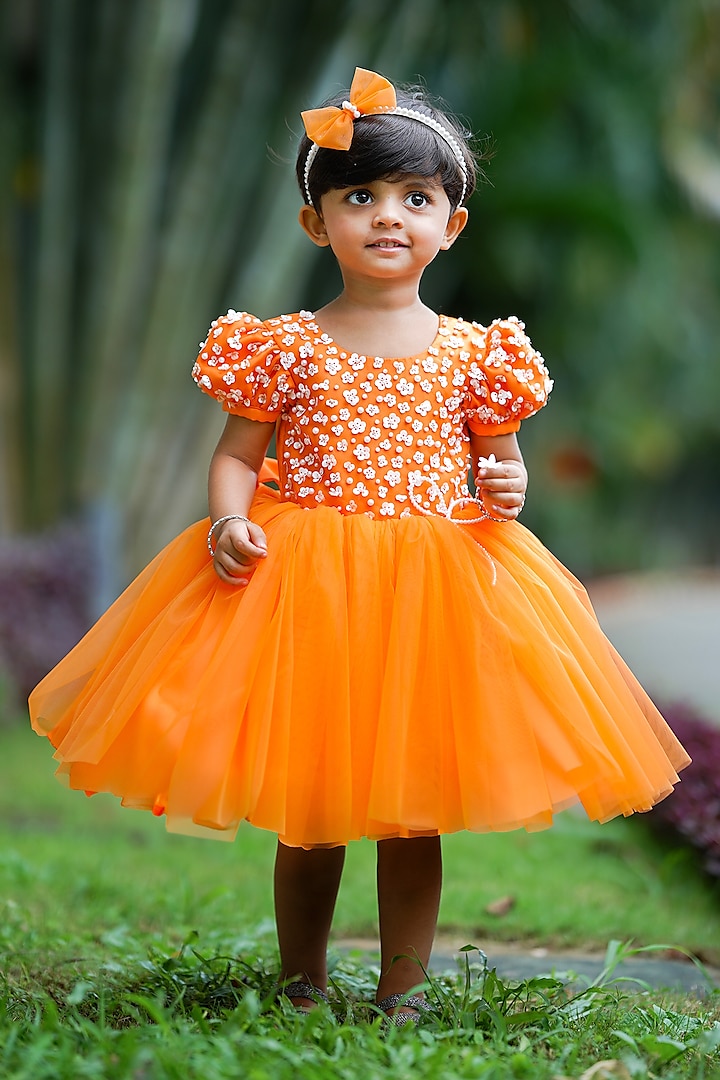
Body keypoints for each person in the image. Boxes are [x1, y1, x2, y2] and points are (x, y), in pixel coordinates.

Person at [29, 67, 689, 1024]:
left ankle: (403, 991)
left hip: (433, 588)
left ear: (450, 226)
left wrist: (508, 483)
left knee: (409, 808)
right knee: (314, 808)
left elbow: (501, 468)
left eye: (416, 198)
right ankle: (301, 982)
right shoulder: (286, 345)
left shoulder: (476, 352)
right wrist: (228, 518)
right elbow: (235, 456)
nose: (388, 216)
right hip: (309, 589)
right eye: (359, 197)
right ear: (317, 223)